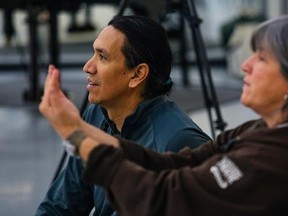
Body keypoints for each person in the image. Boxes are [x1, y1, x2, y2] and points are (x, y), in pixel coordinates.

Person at [39, 15, 288, 215]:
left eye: (262, 58)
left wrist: (74, 133)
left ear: (137, 75)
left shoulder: (270, 157)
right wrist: (76, 129)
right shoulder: (255, 130)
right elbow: (170, 165)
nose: (246, 65)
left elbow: (164, 197)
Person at [35, 15, 211, 215]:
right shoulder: (97, 114)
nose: (88, 67)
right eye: (93, 53)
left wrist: (71, 130)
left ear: (137, 75)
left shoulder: (179, 140)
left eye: (103, 57)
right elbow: (61, 205)